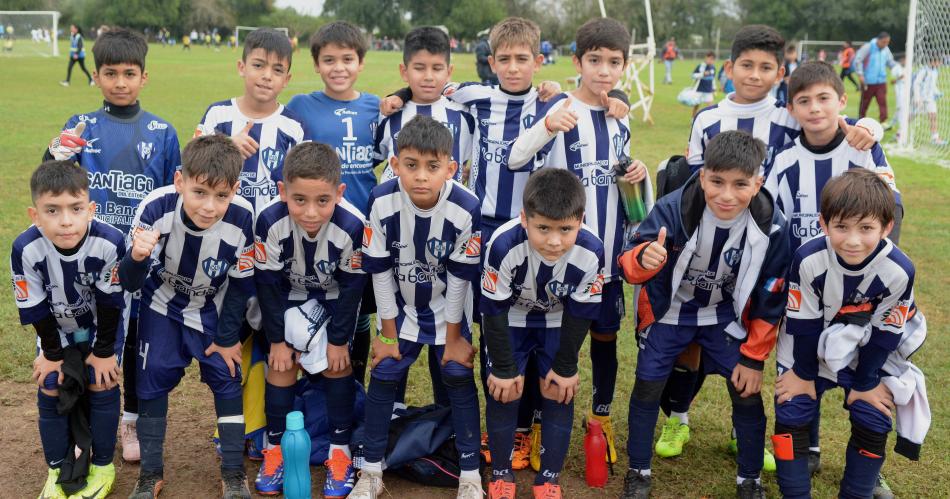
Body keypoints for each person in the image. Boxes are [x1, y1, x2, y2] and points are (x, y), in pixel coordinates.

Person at [381, 16, 627, 471]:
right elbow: (429, 88)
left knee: (542, 325)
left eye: (523, 60)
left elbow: (590, 103)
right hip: (485, 226)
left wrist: (619, 99)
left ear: (538, 61)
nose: (514, 69)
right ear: (491, 61)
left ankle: (530, 423)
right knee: (492, 326)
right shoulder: (473, 97)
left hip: (538, 226)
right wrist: (398, 97)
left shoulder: (551, 101)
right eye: (505, 59)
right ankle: (498, 422)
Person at [665, 25, 881, 473]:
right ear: (730, 68)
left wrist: (868, 126)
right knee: (693, 340)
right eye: (747, 65)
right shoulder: (707, 118)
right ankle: (678, 419)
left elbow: (834, 132)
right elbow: (691, 183)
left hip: (766, 255)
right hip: (710, 250)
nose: (755, 75)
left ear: (779, 74)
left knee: (754, 343)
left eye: (766, 68)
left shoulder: (787, 117)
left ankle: (739, 430)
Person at [508, 17, 652, 471]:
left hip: (605, 258)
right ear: (577, 62)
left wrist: (639, 177)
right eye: (595, 60)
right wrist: (547, 126)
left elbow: (634, 203)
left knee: (604, 339)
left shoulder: (618, 120)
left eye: (613, 62)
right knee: (541, 343)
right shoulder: (558, 111)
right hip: (552, 260)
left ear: (625, 67)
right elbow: (516, 157)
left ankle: (600, 419)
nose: (604, 71)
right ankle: (527, 428)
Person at [618, 130, 791, 498]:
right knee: (647, 386)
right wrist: (644, 258)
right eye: (717, 182)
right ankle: (638, 472)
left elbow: (771, 296)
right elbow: (630, 262)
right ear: (702, 176)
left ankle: (750, 479)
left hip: (724, 315)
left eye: (741, 184)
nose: (727, 195)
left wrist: (755, 357)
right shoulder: (671, 208)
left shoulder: (772, 224)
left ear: (758, 182)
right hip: (671, 311)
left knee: (746, 391)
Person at [45, 27, 181, 466]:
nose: (120, 82)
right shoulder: (81, 126)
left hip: (141, 258)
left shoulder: (162, 132)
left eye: (129, 73)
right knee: (96, 338)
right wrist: (55, 154)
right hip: (91, 257)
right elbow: (54, 185)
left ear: (145, 76)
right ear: (98, 76)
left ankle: (131, 418)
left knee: (137, 339)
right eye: (109, 73)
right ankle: (87, 412)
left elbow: (172, 199)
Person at [194, 27, 309, 491]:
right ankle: (231, 425)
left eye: (277, 70)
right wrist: (226, 147)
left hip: (272, 254)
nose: (266, 76)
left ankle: (257, 429)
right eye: (258, 65)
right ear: (241, 66)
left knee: (266, 339)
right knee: (230, 337)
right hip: (222, 251)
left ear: (286, 78)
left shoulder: (292, 128)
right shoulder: (219, 114)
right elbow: (197, 164)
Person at [350, 115, 484, 499]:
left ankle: (470, 475)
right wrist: (387, 335)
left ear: (451, 168)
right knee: (386, 370)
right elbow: (378, 271)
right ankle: (371, 471)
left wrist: (455, 337)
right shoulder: (381, 200)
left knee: (457, 374)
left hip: (449, 309)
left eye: (432, 167)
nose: (421, 176)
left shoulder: (466, 206)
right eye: (411, 166)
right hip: (403, 308)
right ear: (395, 165)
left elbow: (460, 277)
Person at [772, 169, 924, 499]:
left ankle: (857, 493)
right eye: (841, 227)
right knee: (791, 406)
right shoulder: (808, 258)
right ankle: (795, 494)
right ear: (824, 224)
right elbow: (804, 325)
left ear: (886, 227)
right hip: (806, 347)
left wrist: (866, 383)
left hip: (867, 350)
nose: (853, 240)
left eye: (866, 228)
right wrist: (802, 374)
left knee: (873, 414)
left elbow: (886, 333)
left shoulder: (899, 270)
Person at [119, 135, 255, 499]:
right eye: (199, 193)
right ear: (180, 181)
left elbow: (242, 286)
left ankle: (233, 473)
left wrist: (227, 338)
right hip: (161, 303)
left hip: (213, 306)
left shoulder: (244, 218)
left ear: (235, 190)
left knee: (227, 378)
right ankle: (150, 474)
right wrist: (136, 256)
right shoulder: (155, 208)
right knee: (151, 381)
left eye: (221, 196)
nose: (209, 207)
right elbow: (128, 282)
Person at [482, 169, 605, 499]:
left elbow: (581, 313)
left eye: (566, 229)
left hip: (557, 319)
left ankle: (549, 478)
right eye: (543, 228)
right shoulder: (503, 244)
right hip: (510, 316)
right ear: (525, 218)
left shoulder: (592, 250)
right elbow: (492, 310)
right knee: (504, 391)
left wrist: (566, 366)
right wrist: (505, 369)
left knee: (558, 390)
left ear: (580, 220)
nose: (554, 241)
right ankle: (501, 473)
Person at [254, 142, 367, 498]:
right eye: (299, 200)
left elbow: (352, 290)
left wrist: (336, 341)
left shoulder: (353, 226)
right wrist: (278, 340)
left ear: (339, 192)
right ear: (282, 191)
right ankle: (275, 449)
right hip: (286, 298)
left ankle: (340, 452)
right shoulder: (269, 220)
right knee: (281, 363)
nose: (311, 212)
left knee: (337, 364)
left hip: (333, 300)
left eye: (322, 200)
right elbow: (268, 286)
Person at [13, 161, 127, 499]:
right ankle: (57, 468)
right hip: (56, 329)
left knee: (100, 380)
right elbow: (33, 307)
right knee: (50, 383)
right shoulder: (25, 248)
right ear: (35, 215)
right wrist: (51, 355)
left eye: (76, 208)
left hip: (100, 327)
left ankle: (103, 465)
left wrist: (104, 351)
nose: (65, 221)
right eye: (52, 210)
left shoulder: (110, 241)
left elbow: (110, 305)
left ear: (90, 208)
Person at [287, 20, 379, 390]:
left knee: (356, 313)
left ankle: (352, 386)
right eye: (329, 60)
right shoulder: (300, 106)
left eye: (347, 59)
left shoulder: (377, 106)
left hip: (361, 231)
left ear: (361, 63)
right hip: (312, 226)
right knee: (309, 308)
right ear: (316, 65)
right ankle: (307, 390)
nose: (338, 67)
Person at [375, 26, 475, 186]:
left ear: (449, 72)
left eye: (437, 68)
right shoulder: (390, 112)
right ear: (404, 71)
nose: (428, 77)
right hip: (397, 207)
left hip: (449, 207)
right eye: (419, 68)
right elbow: (373, 158)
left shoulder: (465, 113)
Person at [854, 32, 898, 122]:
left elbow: (890, 62)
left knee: (882, 102)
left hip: (881, 81)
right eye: (884, 42)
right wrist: (860, 75)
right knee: (864, 103)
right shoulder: (868, 47)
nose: (885, 44)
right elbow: (858, 60)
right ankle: (860, 120)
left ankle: (883, 121)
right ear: (878, 40)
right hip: (868, 81)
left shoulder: (886, 49)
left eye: (887, 42)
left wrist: (899, 68)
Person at [912, 56, 946, 145]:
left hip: (930, 99)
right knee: (912, 116)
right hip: (921, 99)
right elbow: (916, 83)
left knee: (933, 117)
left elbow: (932, 85)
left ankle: (935, 138)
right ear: (933, 61)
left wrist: (937, 92)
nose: (940, 64)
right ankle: (901, 133)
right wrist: (917, 97)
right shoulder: (924, 71)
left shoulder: (935, 72)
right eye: (939, 62)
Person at [887, 53, 907, 133]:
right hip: (899, 90)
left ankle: (892, 123)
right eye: (905, 59)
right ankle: (901, 127)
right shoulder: (895, 68)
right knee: (901, 108)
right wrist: (900, 78)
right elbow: (891, 81)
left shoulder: (907, 67)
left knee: (901, 108)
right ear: (901, 60)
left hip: (907, 89)